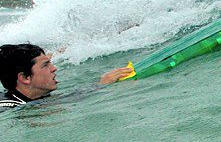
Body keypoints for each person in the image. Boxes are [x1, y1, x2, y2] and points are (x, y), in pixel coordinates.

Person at [0, 43, 132, 109]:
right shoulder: (10, 108)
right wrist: (100, 86)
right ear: (25, 78)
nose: (54, 68)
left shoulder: (35, 95)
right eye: (45, 65)